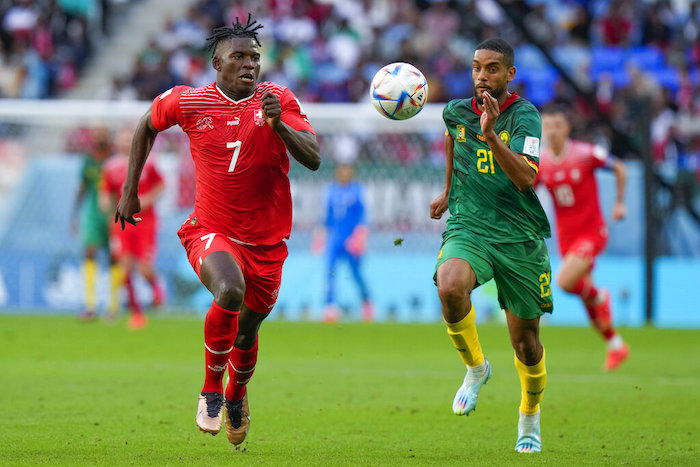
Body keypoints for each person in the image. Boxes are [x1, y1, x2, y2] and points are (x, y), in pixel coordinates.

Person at [114, 14, 321, 446]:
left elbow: (314, 157)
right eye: (239, 57)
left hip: (267, 242)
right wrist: (130, 190)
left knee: (247, 331)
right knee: (229, 290)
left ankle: (236, 395)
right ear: (217, 63)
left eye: (255, 58)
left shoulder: (278, 98)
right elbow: (145, 126)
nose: (250, 65)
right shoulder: (189, 102)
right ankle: (210, 390)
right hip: (210, 229)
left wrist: (279, 124)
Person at [429, 38, 552, 453]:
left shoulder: (525, 117)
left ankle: (529, 417)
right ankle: (476, 368)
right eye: (478, 68)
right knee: (449, 285)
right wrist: (446, 191)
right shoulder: (456, 111)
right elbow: (452, 136)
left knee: (526, 345)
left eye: (493, 68)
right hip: (471, 225)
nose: (483, 76)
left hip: (519, 236)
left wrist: (491, 137)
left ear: (509, 74)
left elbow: (525, 178)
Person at [538, 108, 630, 371]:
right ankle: (615, 345)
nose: (553, 130)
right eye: (548, 125)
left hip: (591, 233)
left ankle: (601, 296)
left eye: (557, 125)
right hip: (566, 239)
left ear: (567, 128)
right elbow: (527, 193)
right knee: (587, 301)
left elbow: (620, 168)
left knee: (566, 282)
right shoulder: (541, 163)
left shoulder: (586, 154)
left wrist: (620, 203)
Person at [101, 127, 165, 330]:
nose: (125, 142)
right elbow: (106, 191)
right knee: (126, 266)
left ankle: (156, 291)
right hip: (123, 222)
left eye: (129, 138)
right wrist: (105, 204)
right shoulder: (110, 166)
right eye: (122, 138)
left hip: (146, 223)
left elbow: (161, 185)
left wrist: (147, 199)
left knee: (145, 267)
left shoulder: (149, 161)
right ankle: (136, 313)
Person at [72, 125, 120, 321]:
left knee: (114, 256)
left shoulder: (116, 159)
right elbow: (82, 188)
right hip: (93, 212)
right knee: (89, 251)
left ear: (109, 136)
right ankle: (90, 305)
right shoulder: (88, 160)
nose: (100, 137)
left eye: (103, 133)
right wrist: (74, 216)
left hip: (114, 210)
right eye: (97, 134)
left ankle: (113, 305)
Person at [315, 163, 373, 322]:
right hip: (335, 238)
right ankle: (330, 306)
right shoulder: (330, 191)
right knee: (330, 272)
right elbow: (326, 217)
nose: (344, 173)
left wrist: (360, 236)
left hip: (351, 239)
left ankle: (366, 302)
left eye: (347, 170)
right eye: (341, 170)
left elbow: (363, 216)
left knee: (355, 273)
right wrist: (320, 236)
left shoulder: (357, 191)